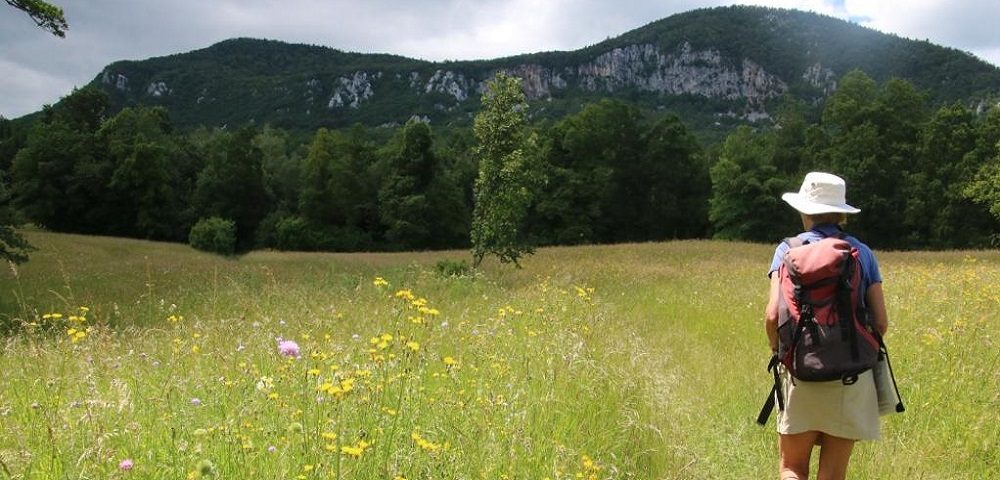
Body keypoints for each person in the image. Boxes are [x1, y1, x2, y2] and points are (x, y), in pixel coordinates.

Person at [764, 172, 889, 480]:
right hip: (851, 377)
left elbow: (771, 317)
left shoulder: (787, 250)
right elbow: (881, 323)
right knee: (833, 475)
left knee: (792, 468)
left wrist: (782, 354)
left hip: (801, 373)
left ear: (805, 210)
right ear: (841, 213)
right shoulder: (863, 253)